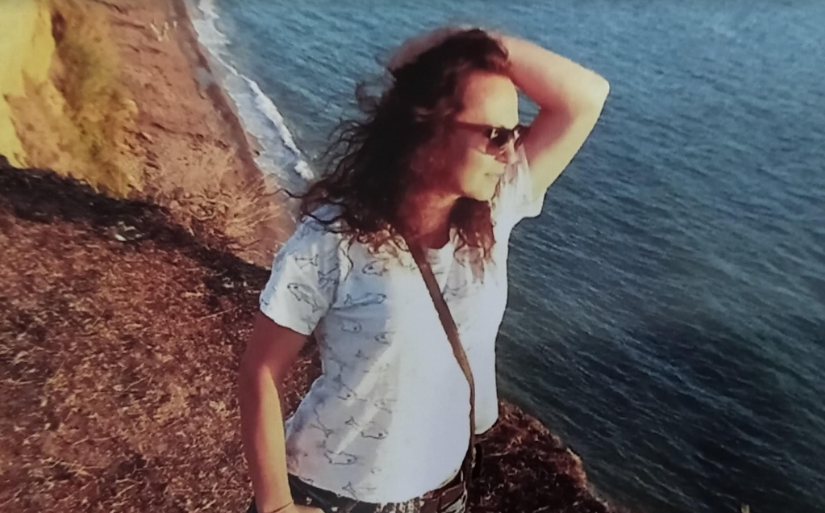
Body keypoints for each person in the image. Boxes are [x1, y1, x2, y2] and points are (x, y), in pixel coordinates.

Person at [240, 26, 609, 513]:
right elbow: (260, 370)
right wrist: (276, 506)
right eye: (496, 135)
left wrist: (470, 40)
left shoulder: (492, 211)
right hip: (337, 495)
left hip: (444, 495)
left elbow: (586, 97)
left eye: (515, 134)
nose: (509, 152)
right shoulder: (335, 239)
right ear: (429, 130)